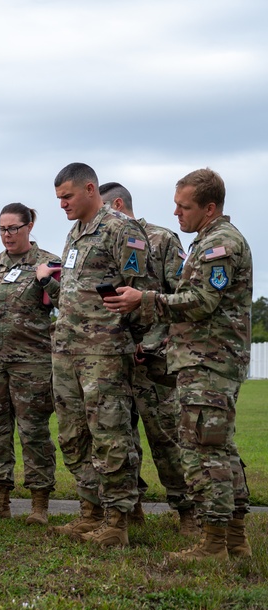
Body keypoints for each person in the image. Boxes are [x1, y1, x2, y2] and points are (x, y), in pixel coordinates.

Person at [103, 168, 253, 562]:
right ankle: (235, 540)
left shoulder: (219, 245)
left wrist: (145, 300)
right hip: (204, 360)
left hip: (209, 362)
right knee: (219, 448)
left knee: (205, 452)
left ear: (209, 207)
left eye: (183, 206)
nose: (176, 213)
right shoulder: (208, 240)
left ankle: (213, 543)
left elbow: (202, 301)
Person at [35, 162, 155, 548]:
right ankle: (90, 512)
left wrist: (136, 342)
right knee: (73, 434)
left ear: (91, 189)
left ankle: (118, 520)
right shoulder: (75, 233)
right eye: (58, 199)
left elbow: (142, 292)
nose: (62, 204)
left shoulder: (122, 230)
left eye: (67, 196)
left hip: (103, 352)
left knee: (110, 435)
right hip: (67, 350)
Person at [98, 182, 196, 535]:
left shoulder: (161, 239)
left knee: (166, 436)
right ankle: (131, 507)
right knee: (120, 437)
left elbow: (182, 295)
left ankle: (188, 512)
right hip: (112, 355)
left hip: (152, 359)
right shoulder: (99, 240)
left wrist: (155, 342)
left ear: (118, 204)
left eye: (103, 209)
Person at [0, 203, 59, 525]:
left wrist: (47, 281)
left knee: (34, 433)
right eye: (2, 229)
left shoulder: (48, 262)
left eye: (13, 228)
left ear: (29, 226)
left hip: (31, 362)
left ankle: (39, 506)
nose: (7, 235)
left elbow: (64, 302)